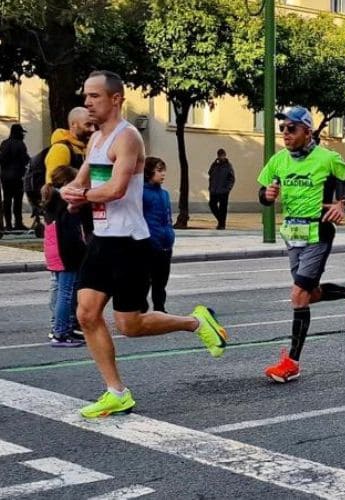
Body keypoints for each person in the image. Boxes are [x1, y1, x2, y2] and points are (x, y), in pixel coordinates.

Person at [60, 70, 228, 418]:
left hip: (129, 243)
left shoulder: (128, 138)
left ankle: (196, 322)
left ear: (116, 98)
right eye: (85, 96)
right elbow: (82, 181)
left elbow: (116, 189)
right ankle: (116, 392)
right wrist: (70, 193)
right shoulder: (95, 141)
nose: (87, 103)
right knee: (87, 314)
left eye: (94, 96)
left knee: (129, 326)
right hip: (102, 241)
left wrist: (82, 196)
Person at [257, 105, 345, 383]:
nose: (285, 133)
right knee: (309, 294)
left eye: (291, 128)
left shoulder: (327, 158)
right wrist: (268, 195)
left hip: (318, 232)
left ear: (307, 131)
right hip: (292, 233)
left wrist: (342, 204)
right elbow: (263, 194)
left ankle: (292, 363)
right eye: (283, 128)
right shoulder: (278, 161)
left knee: (298, 295)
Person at [42, 166, 92, 347]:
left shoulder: (51, 199)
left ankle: (61, 328)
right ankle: (61, 333)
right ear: (66, 183)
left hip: (55, 251)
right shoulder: (64, 201)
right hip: (67, 252)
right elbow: (71, 234)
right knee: (66, 293)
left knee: (61, 290)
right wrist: (83, 250)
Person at [142, 157, 175, 313]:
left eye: (164, 170)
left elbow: (167, 217)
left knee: (161, 281)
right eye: (159, 170)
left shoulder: (165, 194)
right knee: (145, 280)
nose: (163, 174)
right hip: (149, 244)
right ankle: (141, 307)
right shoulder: (141, 193)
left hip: (165, 245)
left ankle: (160, 308)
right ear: (149, 172)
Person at [45, 107, 94, 183]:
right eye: (88, 125)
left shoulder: (86, 148)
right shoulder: (60, 149)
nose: (93, 129)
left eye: (94, 125)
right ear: (73, 124)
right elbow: (53, 186)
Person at [0, 123, 31, 230]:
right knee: (17, 200)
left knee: (7, 200)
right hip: (18, 177)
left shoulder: (4, 143)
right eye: (22, 132)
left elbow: (1, 159)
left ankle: (8, 224)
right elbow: (26, 160)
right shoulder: (20, 144)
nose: (23, 134)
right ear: (18, 133)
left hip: (5, 177)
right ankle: (18, 223)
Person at [208, 148, 235, 230]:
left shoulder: (228, 166)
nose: (221, 157)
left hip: (223, 191)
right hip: (214, 190)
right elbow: (210, 173)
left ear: (225, 155)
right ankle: (221, 221)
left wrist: (228, 188)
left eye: (222, 155)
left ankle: (222, 224)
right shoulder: (215, 165)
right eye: (219, 155)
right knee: (212, 205)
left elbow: (232, 178)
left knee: (223, 208)